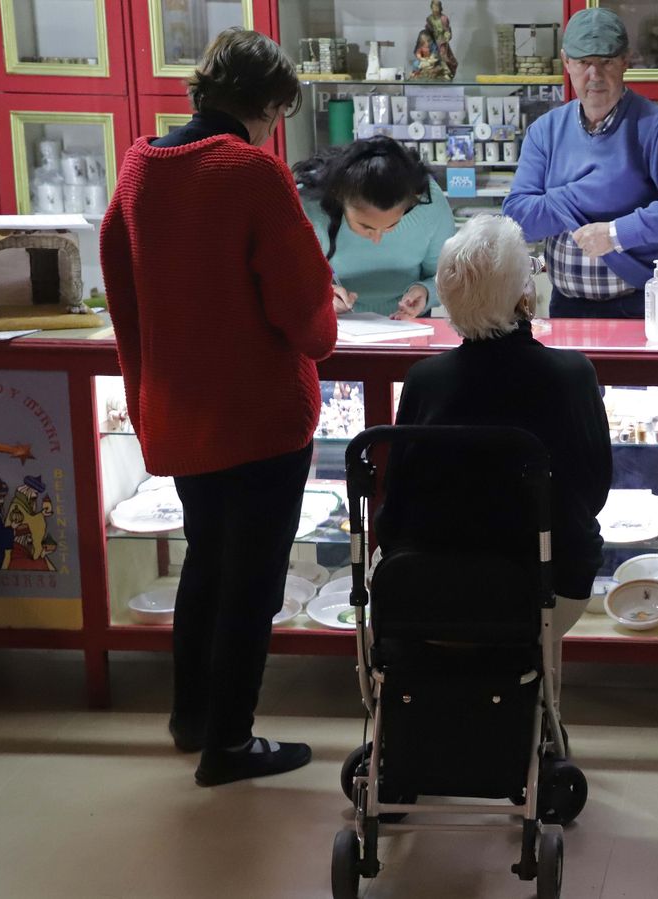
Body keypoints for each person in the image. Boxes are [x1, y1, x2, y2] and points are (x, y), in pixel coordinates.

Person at [100, 28, 336, 787]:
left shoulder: (140, 167)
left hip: (180, 414)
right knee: (254, 579)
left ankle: (191, 716)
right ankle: (230, 744)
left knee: (206, 562)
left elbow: (116, 268)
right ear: (268, 105)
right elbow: (307, 317)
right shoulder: (250, 173)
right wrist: (323, 322)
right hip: (259, 415)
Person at [377, 215, 610, 706]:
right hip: (545, 587)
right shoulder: (570, 374)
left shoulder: (424, 379)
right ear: (525, 297)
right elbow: (594, 492)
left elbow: (393, 505)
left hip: (426, 587)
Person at [503, 7, 658, 318]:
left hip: (640, 304)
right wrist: (598, 188)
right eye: (583, 63)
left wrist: (616, 234)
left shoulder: (656, 127)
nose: (594, 75)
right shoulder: (545, 131)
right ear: (567, 62)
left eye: (606, 62)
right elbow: (517, 220)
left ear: (625, 61)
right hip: (566, 305)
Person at [293, 136, 456, 319]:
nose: (377, 239)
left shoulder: (429, 204)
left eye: (391, 225)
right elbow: (288, 280)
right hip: (336, 323)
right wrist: (321, 295)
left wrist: (426, 292)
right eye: (366, 226)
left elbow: (448, 276)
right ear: (339, 198)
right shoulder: (311, 207)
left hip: (409, 321)